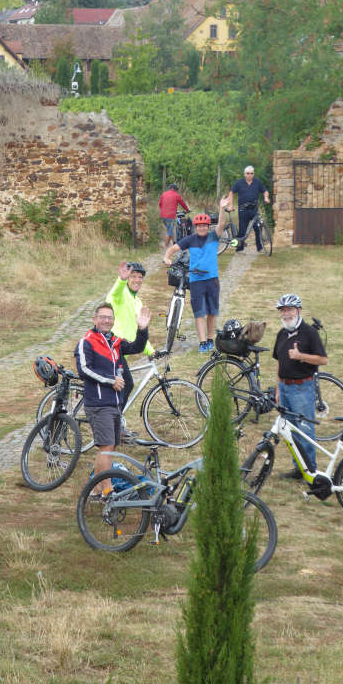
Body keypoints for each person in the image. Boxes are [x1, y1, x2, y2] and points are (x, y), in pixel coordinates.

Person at [75, 302, 151, 496]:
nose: (107, 320)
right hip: (98, 404)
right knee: (106, 448)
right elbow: (84, 370)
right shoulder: (87, 341)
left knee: (108, 448)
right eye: (103, 317)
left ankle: (95, 489)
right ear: (95, 319)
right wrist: (111, 381)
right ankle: (107, 490)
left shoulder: (114, 342)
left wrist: (142, 329)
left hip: (114, 403)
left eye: (110, 317)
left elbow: (136, 347)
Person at [163, 196, 230, 353]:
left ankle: (210, 338)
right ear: (195, 227)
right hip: (195, 280)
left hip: (212, 279)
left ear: (208, 226)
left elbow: (221, 224)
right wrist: (166, 257)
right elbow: (174, 248)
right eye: (199, 226)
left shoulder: (214, 237)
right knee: (199, 312)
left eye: (204, 226)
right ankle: (202, 342)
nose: (201, 228)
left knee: (212, 312)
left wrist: (221, 208)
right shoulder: (190, 239)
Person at [272, 294, 327, 481]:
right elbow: (279, 362)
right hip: (285, 388)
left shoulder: (309, 333)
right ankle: (299, 468)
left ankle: (310, 471)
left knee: (305, 432)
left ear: (298, 311)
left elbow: (322, 359)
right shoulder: (281, 334)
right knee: (291, 432)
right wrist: (278, 389)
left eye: (289, 310)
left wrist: (301, 356)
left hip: (302, 388)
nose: (286, 314)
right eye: (283, 311)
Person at [106, 261, 154, 410]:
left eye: (140, 277)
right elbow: (114, 294)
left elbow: (137, 330)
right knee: (127, 384)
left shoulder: (137, 302)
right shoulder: (121, 295)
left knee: (119, 386)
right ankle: (115, 421)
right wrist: (121, 280)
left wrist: (150, 350)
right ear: (128, 278)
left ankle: (114, 419)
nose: (137, 280)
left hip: (124, 348)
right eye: (133, 276)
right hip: (113, 347)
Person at [226, 165, 270, 252]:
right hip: (243, 210)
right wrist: (231, 205)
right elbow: (231, 193)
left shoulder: (257, 182)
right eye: (248, 173)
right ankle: (240, 247)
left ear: (253, 174)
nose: (250, 175)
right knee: (243, 230)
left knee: (258, 229)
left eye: (251, 173)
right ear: (244, 174)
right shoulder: (239, 183)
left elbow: (265, 191)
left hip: (254, 210)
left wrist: (266, 198)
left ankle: (259, 247)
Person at [159, 183, 190, 248]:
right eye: (176, 190)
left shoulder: (164, 194)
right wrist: (187, 210)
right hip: (170, 216)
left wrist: (164, 210)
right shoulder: (176, 195)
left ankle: (174, 242)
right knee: (170, 231)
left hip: (162, 216)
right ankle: (165, 246)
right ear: (174, 189)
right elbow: (182, 203)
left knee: (170, 229)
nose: (176, 191)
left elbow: (160, 204)